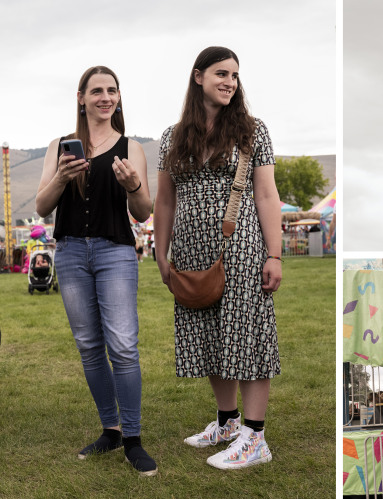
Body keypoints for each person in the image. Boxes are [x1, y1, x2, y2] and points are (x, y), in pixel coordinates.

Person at [153, 46, 283, 470]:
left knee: (246, 335)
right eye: (221, 73)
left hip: (241, 245)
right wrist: (160, 251)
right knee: (210, 337)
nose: (229, 81)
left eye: (234, 75)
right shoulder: (173, 137)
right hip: (190, 249)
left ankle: (255, 438)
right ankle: (227, 423)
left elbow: (266, 194)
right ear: (198, 77)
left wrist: (275, 254)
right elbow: (165, 201)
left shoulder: (251, 130)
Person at [35, 66, 155, 475]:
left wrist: (135, 186)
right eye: (97, 91)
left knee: (122, 344)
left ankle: (134, 440)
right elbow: (41, 206)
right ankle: (112, 428)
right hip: (69, 252)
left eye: (112, 90)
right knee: (89, 345)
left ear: (118, 98)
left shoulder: (131, 148)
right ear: (81, 98)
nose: (105, 97)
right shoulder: (59, 147)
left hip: (115, 252)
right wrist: (62, 177)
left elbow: (143, 213)